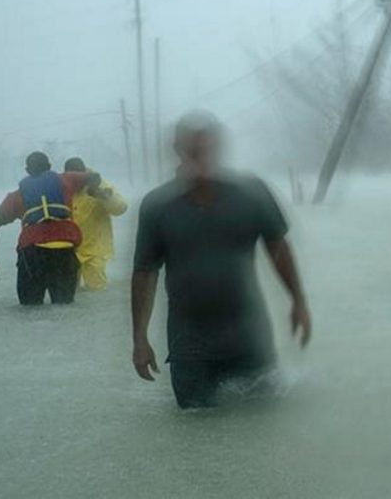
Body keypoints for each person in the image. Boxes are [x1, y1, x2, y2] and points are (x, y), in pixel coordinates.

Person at [130, 110, 312, 409]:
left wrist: (299, 301)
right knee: (195, 434)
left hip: (250, 340)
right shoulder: (157, 205)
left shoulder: (251, 193)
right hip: (189, 349)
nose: (201, 156)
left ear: (219, 149)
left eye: (207, 148)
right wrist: (139, 339)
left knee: (264, 431)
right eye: (193, 149)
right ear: (178, 150)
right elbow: (144, 273)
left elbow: (278, 248)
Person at [0, 151, 100, 305]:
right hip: (64, 253)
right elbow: (94, 177)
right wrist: (92, 189)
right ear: (50, 167)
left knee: (30, 310)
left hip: (32, 255)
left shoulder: (16, 196)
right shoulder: (67, 179)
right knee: (64, 308)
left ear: (27, 171)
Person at [63, 157, 127, 291]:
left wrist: (104, 196)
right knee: (68, 293)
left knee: (96, 291)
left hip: (95, 249)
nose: (76, 182)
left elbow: (121, 208)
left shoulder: (100, 184)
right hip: (69, 248)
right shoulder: (63, 186)